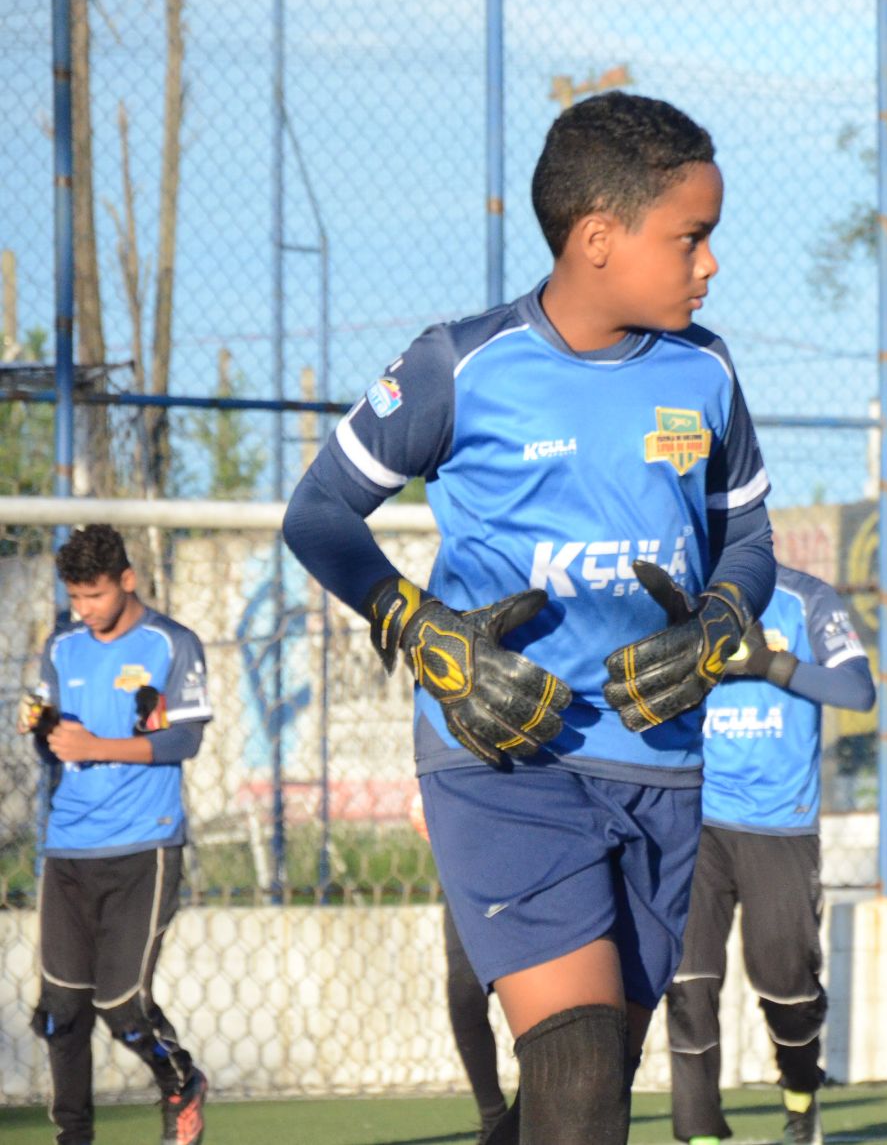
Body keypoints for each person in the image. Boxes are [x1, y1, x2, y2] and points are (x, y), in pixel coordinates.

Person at [283, 91, 776, 1144]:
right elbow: (318, 512)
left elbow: (749, 538)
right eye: (690, 238)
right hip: (506, 759)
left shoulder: (707, 368)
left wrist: (724, 611)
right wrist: (416, 625)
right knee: (580, 1064)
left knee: (580, 1092)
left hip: (660, 761)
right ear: (598, 238)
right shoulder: (459, 364)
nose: (710, 264)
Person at [666, 564, 876, 1145]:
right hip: (695, 818)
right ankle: (700, 1133)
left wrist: (769, 665)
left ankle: (801, 1096)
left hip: (780, 828)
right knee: (687, 983)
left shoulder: (804, 598)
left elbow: (858, 691)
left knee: (788, 990)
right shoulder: (676, 597)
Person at [18, 524, 212, 1145]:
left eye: (95, 595)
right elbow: (44, 729)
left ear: (127, 581)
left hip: (143, 848)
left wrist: (95, 745)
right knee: (61, 1013)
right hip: (68, 849)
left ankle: (180, 1081)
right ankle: (72, 1137)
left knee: (121, 1006)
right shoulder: (62, 645)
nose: (85, 610)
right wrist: (42, 726)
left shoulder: (171, 644)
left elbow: (182, 739)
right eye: (75, 597)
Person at [410, 791, 510, 1143]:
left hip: (538, 847)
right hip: (470, 863)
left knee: (542, 999)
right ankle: (493, 1118)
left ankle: (533, 1114)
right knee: (465, 988)